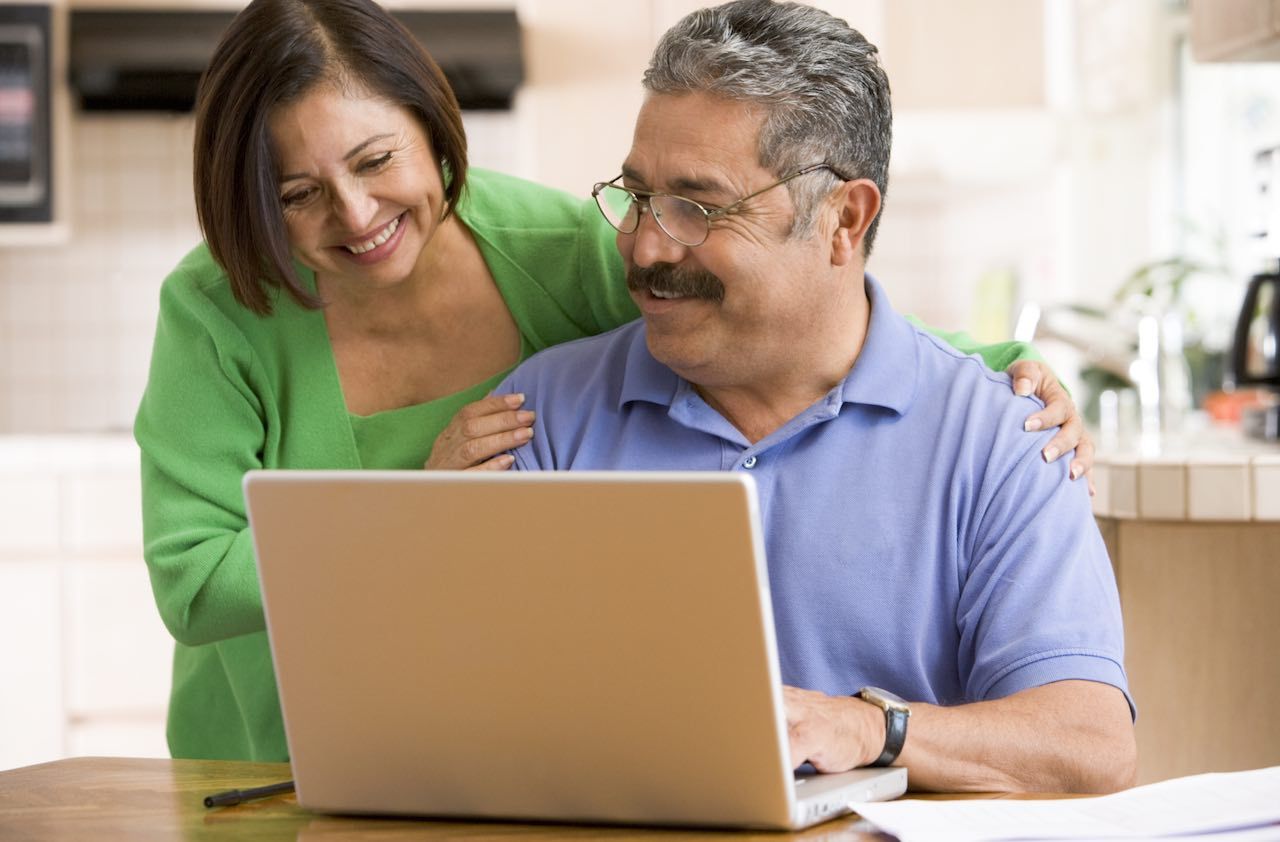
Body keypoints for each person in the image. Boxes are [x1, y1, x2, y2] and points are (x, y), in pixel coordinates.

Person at [135, 0, 1091, 763]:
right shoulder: (220, 308)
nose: (355, 212)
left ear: (433, 132)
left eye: (377, 160)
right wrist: (405, 511)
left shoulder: (560, 249)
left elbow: (788, 302)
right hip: (259, 753)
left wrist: (988, 370)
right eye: (298, 194)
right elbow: (191, 583)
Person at [494, 0, 1137, 793]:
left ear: (844, 217)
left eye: (697, 207)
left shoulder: (1005, 436)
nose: (646, 244)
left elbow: (1089, 746)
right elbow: (455, 710)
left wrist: (874, 727)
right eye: (637, 196)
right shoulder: (538, 417)